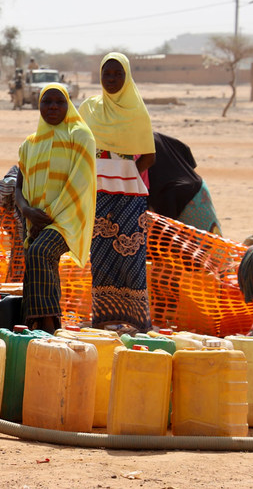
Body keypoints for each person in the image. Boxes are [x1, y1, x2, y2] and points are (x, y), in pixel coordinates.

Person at [78, 52, 156, 331]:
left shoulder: (137, 111)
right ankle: (105, 319)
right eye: (106, 74)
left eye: (117, 74)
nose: (111, 79)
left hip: (129, 195)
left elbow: (149, 155)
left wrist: (128, 174)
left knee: (131, 255)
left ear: (127, 77)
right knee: (100, 255)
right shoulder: (88, 108)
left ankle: (136, 320)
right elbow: (77, 144)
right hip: (97, 193)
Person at [16, 84, 96, 333]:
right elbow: (19, 186)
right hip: (36, 218)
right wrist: (26, 210)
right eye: (46, 101)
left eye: (59, 102)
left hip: (68, 219)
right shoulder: (29, 144)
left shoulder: (80, 136)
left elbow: (80, 183)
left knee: (40, 252)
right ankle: (35, 325)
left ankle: (48, 324)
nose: (52, 106)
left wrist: (48, 214)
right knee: (35, 259)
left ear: (68, 105)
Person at [147, 131, 222, 235]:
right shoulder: (151, 134)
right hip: (197, 188)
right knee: (212, 241)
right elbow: (185, 150)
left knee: (199, 246)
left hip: (177, 196)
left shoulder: (129, 141)